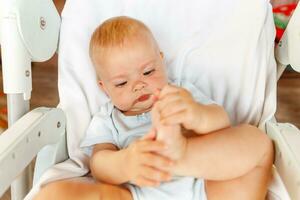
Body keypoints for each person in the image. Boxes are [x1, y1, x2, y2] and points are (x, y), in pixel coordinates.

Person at [34, 16, 274, 200]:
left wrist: (196, 115)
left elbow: (221, 122)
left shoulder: (179, 94)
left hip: (206, 186)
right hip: (140, 194)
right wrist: (126, 162)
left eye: (148, 72)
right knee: (56, 193)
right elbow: (99, 164)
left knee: (257, 143)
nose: (138, 85)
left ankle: (180, 155)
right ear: (104, 87)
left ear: (162, 60)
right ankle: (171, 157)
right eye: (121, 83)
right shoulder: (108, 118)